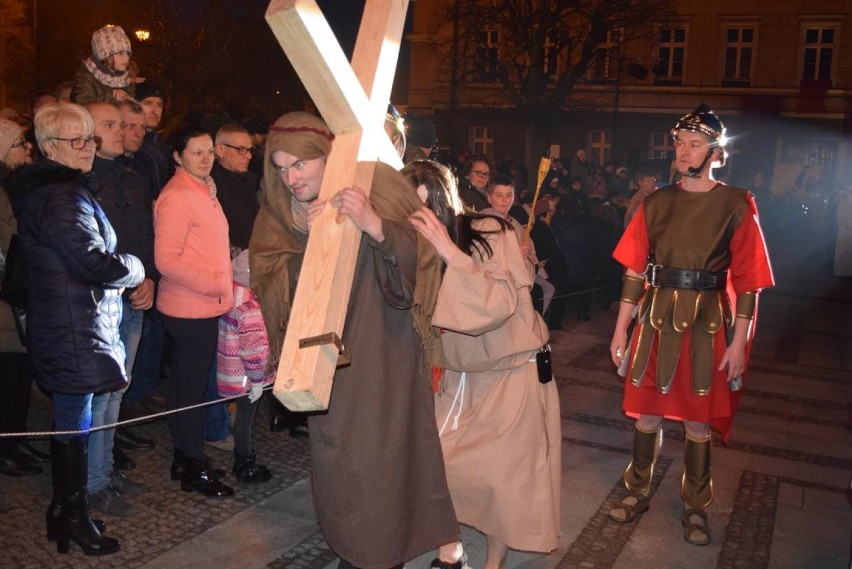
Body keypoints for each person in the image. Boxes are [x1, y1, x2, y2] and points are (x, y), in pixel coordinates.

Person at [249, 112, 463, 569]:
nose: (291, 178)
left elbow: (424, 254)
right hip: (323, 355)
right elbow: (267, 271)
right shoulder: (280, 210)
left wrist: (375, 226)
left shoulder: (378, 183)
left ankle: (380, 552)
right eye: (281, 167)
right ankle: (357, 543)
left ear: (327, 156)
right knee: (338, 459)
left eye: (301, 165)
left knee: (384, 454)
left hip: (383, 347)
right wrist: (311, 239)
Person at [607, 104, 774, 546]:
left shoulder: (737, 203)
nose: (682, 151)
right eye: (679, 143)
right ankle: (637, 489)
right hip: (657, 316)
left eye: (693, 144)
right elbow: (633, 271)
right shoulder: (656, 202)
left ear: (716, 153)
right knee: (647, 414)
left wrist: (739, 344)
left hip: (707, 322)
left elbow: (750, 281)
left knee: (697, 423)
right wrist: (621, 328)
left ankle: (697, 505)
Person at [5, 101, 144, 555]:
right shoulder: (63, 195)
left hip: (71, 323)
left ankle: (65, 512)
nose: (87, 147)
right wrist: (136, 268)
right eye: (76, 140)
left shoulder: (53, 191)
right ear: (49, 147)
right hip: (72, 326)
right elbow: (90, 261)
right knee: (74, 422)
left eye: (91, 138)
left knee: (74, 420)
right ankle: (73, 516)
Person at [407, 160, 561, 569]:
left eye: (428, 204)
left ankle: (493, 561)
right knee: (442, 463)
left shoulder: (490, 231)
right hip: (458, 375)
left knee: (501, 478)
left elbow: (497, 302)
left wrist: (450, 252)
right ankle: (451, 549)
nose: (421, 216)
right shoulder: (409, 242)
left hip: (511, 369)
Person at [154, 125, 234, 498]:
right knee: (190, 392)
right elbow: (166, 260)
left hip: (201, 305)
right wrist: (218, 282)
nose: (206, 159)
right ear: (178, 156)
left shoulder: (203, 190)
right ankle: (193, 467)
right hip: (189, 309)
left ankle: (184, 457)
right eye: (196, 152)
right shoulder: (179, 195)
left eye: (209, 152)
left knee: (187, 387)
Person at [85, 101, 155, 515]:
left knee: (117, 393)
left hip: (135, 293)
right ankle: (92, 483)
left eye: (123, 124)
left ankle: (106, 471)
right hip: (104, 301)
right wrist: (129, 280)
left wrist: (149, 278)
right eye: (110, 124)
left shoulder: (133, 174)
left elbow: (143, 231)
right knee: (100, 397)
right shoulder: (84, 181)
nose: (122, 131)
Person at [0, 117, 49, 477]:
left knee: (20, 375)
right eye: (20, 143)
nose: (27, 148)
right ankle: (4, 449)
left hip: (19, 295)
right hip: (4, 299)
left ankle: (17, 440)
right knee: (6, 377)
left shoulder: (17, 187)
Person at [216, 249, 273, 483]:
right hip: (247, 378)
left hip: (231, 371)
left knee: (242, 418)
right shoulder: (250, 307)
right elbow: (253, 350)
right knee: (245, 420)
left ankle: (243, 459)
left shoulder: (230, 297)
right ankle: (244, 464)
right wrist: (258, 380)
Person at [71, 25, 137, 105]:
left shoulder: (127, 76)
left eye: (128, 54)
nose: (126, 58)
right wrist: (113, 97)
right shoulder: (86, 75)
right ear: (105, 55)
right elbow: (83, 104)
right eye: (120, 54)